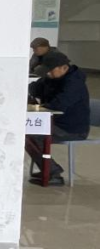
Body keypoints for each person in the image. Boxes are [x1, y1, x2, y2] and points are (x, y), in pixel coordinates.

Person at [26, 51, 90, 186]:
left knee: (31, 135)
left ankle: (53, 172)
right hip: (54, 123)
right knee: (27, 133)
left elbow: (59, 105)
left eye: (50, 71)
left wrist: (42, 106)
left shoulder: (74, 83)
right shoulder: (52, 78)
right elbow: (34, 88)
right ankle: (47, 169)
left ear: (64, 67)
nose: (48, 74)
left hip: (72, 129)